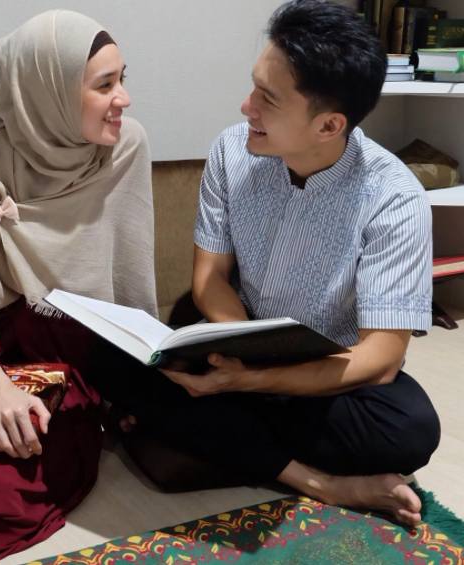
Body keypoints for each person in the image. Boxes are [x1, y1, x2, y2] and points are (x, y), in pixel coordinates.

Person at [100, 0, 440, 528]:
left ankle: (220, 438)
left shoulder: (394, 199)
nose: (246, 107)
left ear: (329, 125)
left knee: (410, 428)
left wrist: (250, 382)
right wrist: (239, 356)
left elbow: (380, 358)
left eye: (268, 99)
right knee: (117, 362)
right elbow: (209, 278)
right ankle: (321, 482)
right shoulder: (231, 153)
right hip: (236, 337)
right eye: (253, 87)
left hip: (327, 370)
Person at [0, 10, 156, 563]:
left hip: (66, 366)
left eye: (122, 79)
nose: (124, 99)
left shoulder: (125, 150)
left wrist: (130, 386)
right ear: (48, 94)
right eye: (105, 85)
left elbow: (127, 284)